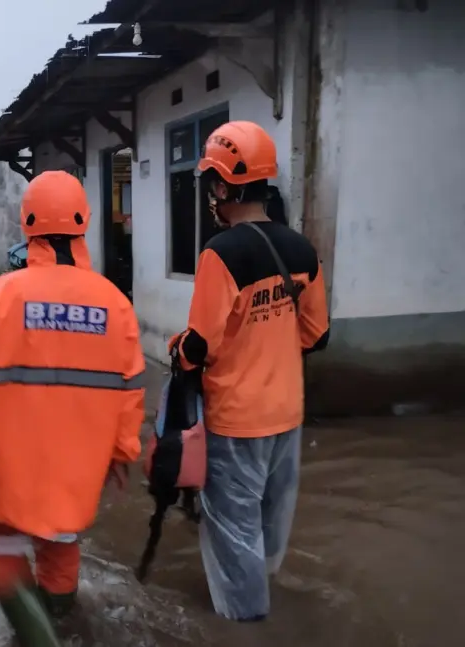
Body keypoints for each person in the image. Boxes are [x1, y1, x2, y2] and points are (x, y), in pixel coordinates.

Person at [0, 170, 145, 643]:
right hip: (78, 475)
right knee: (60, 552)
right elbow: (131, 390)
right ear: (83, 223)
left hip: (10, 472)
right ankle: (63, 621)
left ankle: (40, 638)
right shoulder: (115, 304)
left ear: (26, 223)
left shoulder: (0, 296)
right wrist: (121, 452)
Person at [170, 121, 330, 622]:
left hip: (237, 420)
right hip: (287, 413)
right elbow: (316, 336)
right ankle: (271, 598)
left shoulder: (221, 254)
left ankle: (246, 625)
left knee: (234, 529)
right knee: (270, 520)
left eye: (212, 184)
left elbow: (198, 346)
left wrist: (179, 350)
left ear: (223, 187)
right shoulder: (301, 250)